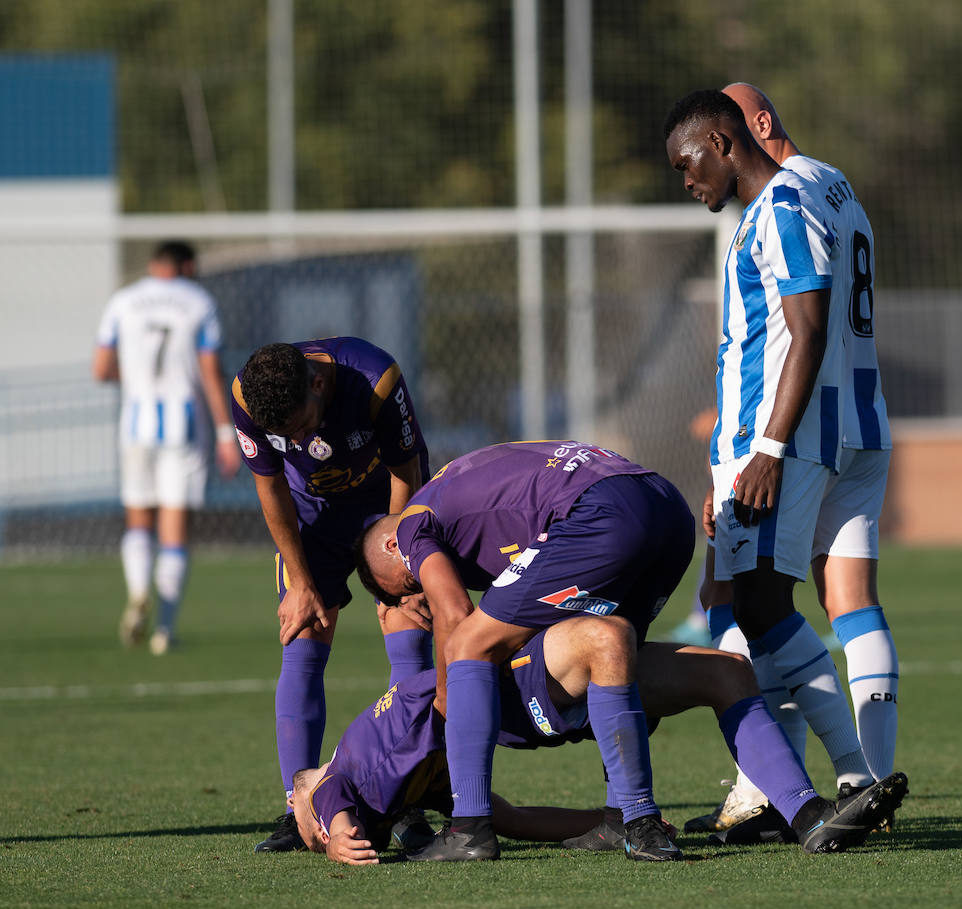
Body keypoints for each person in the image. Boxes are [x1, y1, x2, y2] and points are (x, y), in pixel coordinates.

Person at [679, 83, 899, 834]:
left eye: (687, 164)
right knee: (761, 607)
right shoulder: (817, 195)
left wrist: (765, 450)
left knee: (756, 610)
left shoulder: (782, 207)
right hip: (801, 432)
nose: (686, 183)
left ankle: (842, 778)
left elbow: (805, 333)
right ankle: (794, 784)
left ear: (724, 140)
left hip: (783, 442)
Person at [291, 612, 908, 863]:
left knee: (726, 670)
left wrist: (336, 833)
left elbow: (327, 802)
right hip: (520, 686)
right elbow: (510, 818)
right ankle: (635, 819)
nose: (300, 800)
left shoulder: (339, 774)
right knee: (604, 640)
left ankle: (809, 815)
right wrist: (602, 821)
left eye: (297, 804)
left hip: (504, 676)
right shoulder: (391, 788)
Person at [353, 440, 696, 862]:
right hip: (667, 507)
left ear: (391, 547)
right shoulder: (464, 510)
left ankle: (469, 827)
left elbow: (456, 613)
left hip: (601, 510)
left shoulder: (410, 526)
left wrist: (446, 702)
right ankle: (630, 817)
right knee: (616, 656)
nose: (420, 589)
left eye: (408, 584)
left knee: (468, 645)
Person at [232, 339, 434, 853]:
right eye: (285, 436)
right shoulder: (246, 395)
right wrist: (301, 584)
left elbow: (405, 473)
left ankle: (405, 804)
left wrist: (401, 560)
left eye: (301, 425)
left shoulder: (376, 381)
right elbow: (270, 488)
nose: (298, 441)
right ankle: (296, 808)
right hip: (312, 522)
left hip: (387, 508)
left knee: (407, 630)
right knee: (303, 636)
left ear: (319, 384)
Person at [92, 240, 241, 656]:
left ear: (154, 264)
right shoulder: (199, 302)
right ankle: (163, 629)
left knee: (139, 521)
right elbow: (211, 372)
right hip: (185, 424)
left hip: (136, 422)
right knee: (175, 529)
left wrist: (136, 375)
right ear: (188, 266)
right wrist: (227, 434)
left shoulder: (124, 300)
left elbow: (101, 369)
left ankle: (139, 590)